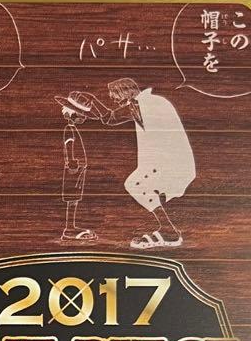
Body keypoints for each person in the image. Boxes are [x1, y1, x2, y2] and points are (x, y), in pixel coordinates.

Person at [81, 77, 196, 249]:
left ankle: (169, 231)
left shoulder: (143, 104)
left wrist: (91, 102)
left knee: (136, 184)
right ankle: (168, 229)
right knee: (141, 185)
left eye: (114, 96)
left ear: (124, 91)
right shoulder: (148, 103)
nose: (113, 100)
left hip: (168, 160)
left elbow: (110, 118)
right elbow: (110, 118)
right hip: (170, 159)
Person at [55, 93, 98, 242]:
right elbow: (69, 145)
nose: (83, 118)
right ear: (71, 113)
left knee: (75, 198)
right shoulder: (69, 128)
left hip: (78, 169)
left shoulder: (72, 127)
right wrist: (72, 162)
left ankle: (70, 227)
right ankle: (69, 229)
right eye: (80, 114)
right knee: (72, 198)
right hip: (73, 169)